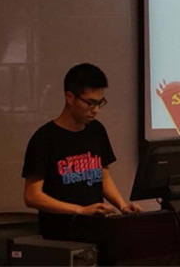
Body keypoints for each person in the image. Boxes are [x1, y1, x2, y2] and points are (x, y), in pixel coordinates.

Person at [22, 63, 141, 240]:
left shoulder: (97, 130)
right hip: (61, 236)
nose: (96, 110)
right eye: (90, 103)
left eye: (100, 103)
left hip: (96, 229)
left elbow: (103, 178)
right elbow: (32, 196)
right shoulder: (44, 138)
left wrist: (122, 206)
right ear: (70, 97)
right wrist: (80, 210)